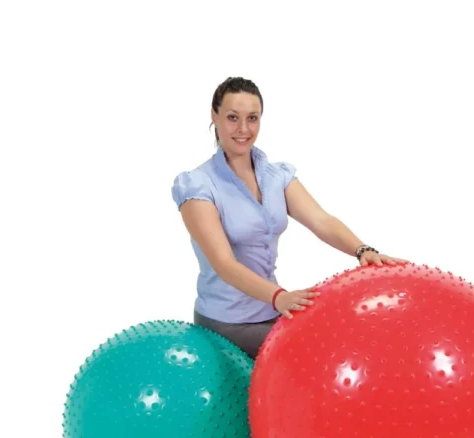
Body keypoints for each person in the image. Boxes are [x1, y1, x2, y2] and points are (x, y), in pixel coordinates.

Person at [171, 76, 407, 359]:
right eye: (233, 117)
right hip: (227, 321)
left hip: (271, 310)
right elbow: (224, 264)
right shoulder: (198, 185)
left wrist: (362, 250)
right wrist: (278, 296)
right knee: (320, 350)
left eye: (252, 118)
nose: (243, 129)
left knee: (340, 333)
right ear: (214, 116)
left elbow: (321, 221)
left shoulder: (275, 176)